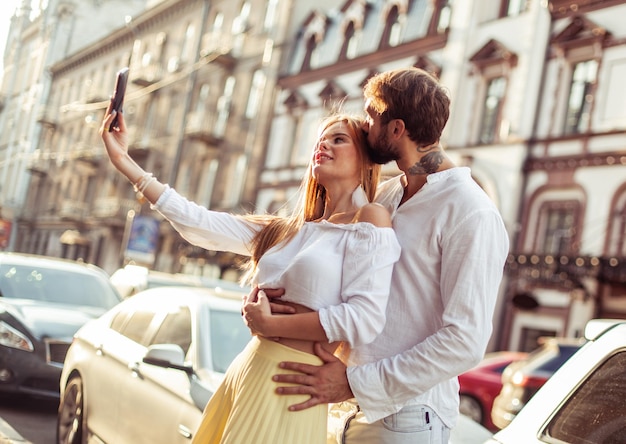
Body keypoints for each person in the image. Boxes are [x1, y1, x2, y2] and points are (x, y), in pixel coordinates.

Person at [100, 105, 401, 444]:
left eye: (339, 139)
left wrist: (272, 324)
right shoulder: (286, 232)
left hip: (292, 384)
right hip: (249, 368)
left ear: (364, 160)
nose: (324, 145)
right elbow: (197, 223)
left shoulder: (370, 219)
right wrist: (123, 160)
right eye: (321, 140)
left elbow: (365, 319)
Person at [259, 67, 510, 443]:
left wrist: (353, 382)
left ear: (396, 129)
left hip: (406, 419)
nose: (364, 126)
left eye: (370, 117)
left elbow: (465, 341)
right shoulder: (387, 196)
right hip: (342, 409)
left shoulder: (472, 211)